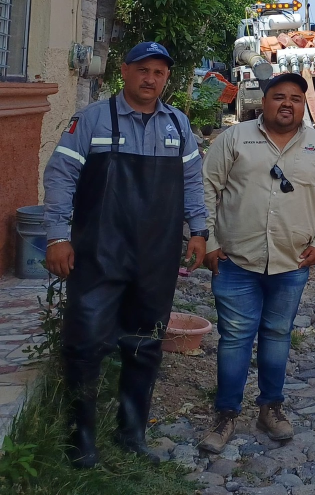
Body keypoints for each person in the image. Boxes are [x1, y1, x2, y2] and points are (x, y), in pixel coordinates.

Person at [42, 41, 207, 468]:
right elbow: (60, 176)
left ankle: (131, 433)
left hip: (155, 258)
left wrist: (199, 231)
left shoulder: (178, 126)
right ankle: (81, 440)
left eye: (159, 72)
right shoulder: (92, 119)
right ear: (125, 71)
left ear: (166, 78)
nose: (150, 79)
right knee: (85, 345)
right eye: (142, 70)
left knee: (145, 344)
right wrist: (57, 237)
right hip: (99, 255)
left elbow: (192, 183)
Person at [198, 73, 315, 454]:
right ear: (263, 101)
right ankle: (226, 413)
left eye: (296, 98)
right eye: (279, 96)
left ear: (304, 105)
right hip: (235, 261)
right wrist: (210, 242)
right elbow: (205, 188)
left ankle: (270, 408)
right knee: (234, 338)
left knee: (278, 336)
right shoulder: (235, 139)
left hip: (291, 263)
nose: (287, 104)